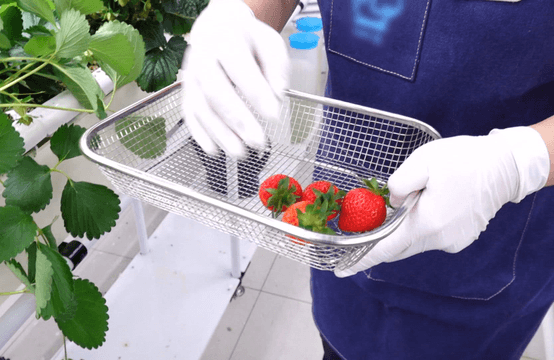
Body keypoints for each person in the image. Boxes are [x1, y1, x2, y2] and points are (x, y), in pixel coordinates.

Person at [181, 0, 554, 358]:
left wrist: (519, 162)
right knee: (338, 341)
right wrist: (240, 12)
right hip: (338, 209)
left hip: (490, 244)